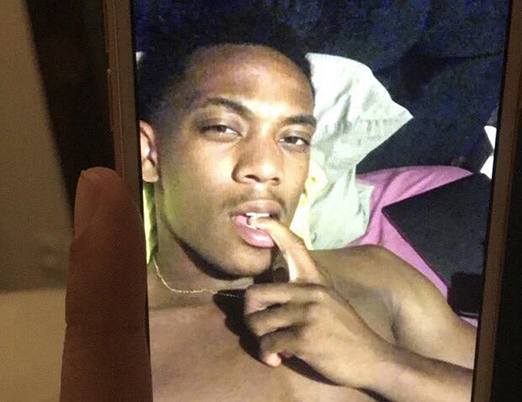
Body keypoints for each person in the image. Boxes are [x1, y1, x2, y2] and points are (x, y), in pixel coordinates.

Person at [63, 8, 476, 402]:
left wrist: (382, 364)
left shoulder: (379, 276)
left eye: (293, 139)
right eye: (223, 128)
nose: (267, 168)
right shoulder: (108, 353)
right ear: (149, 156)